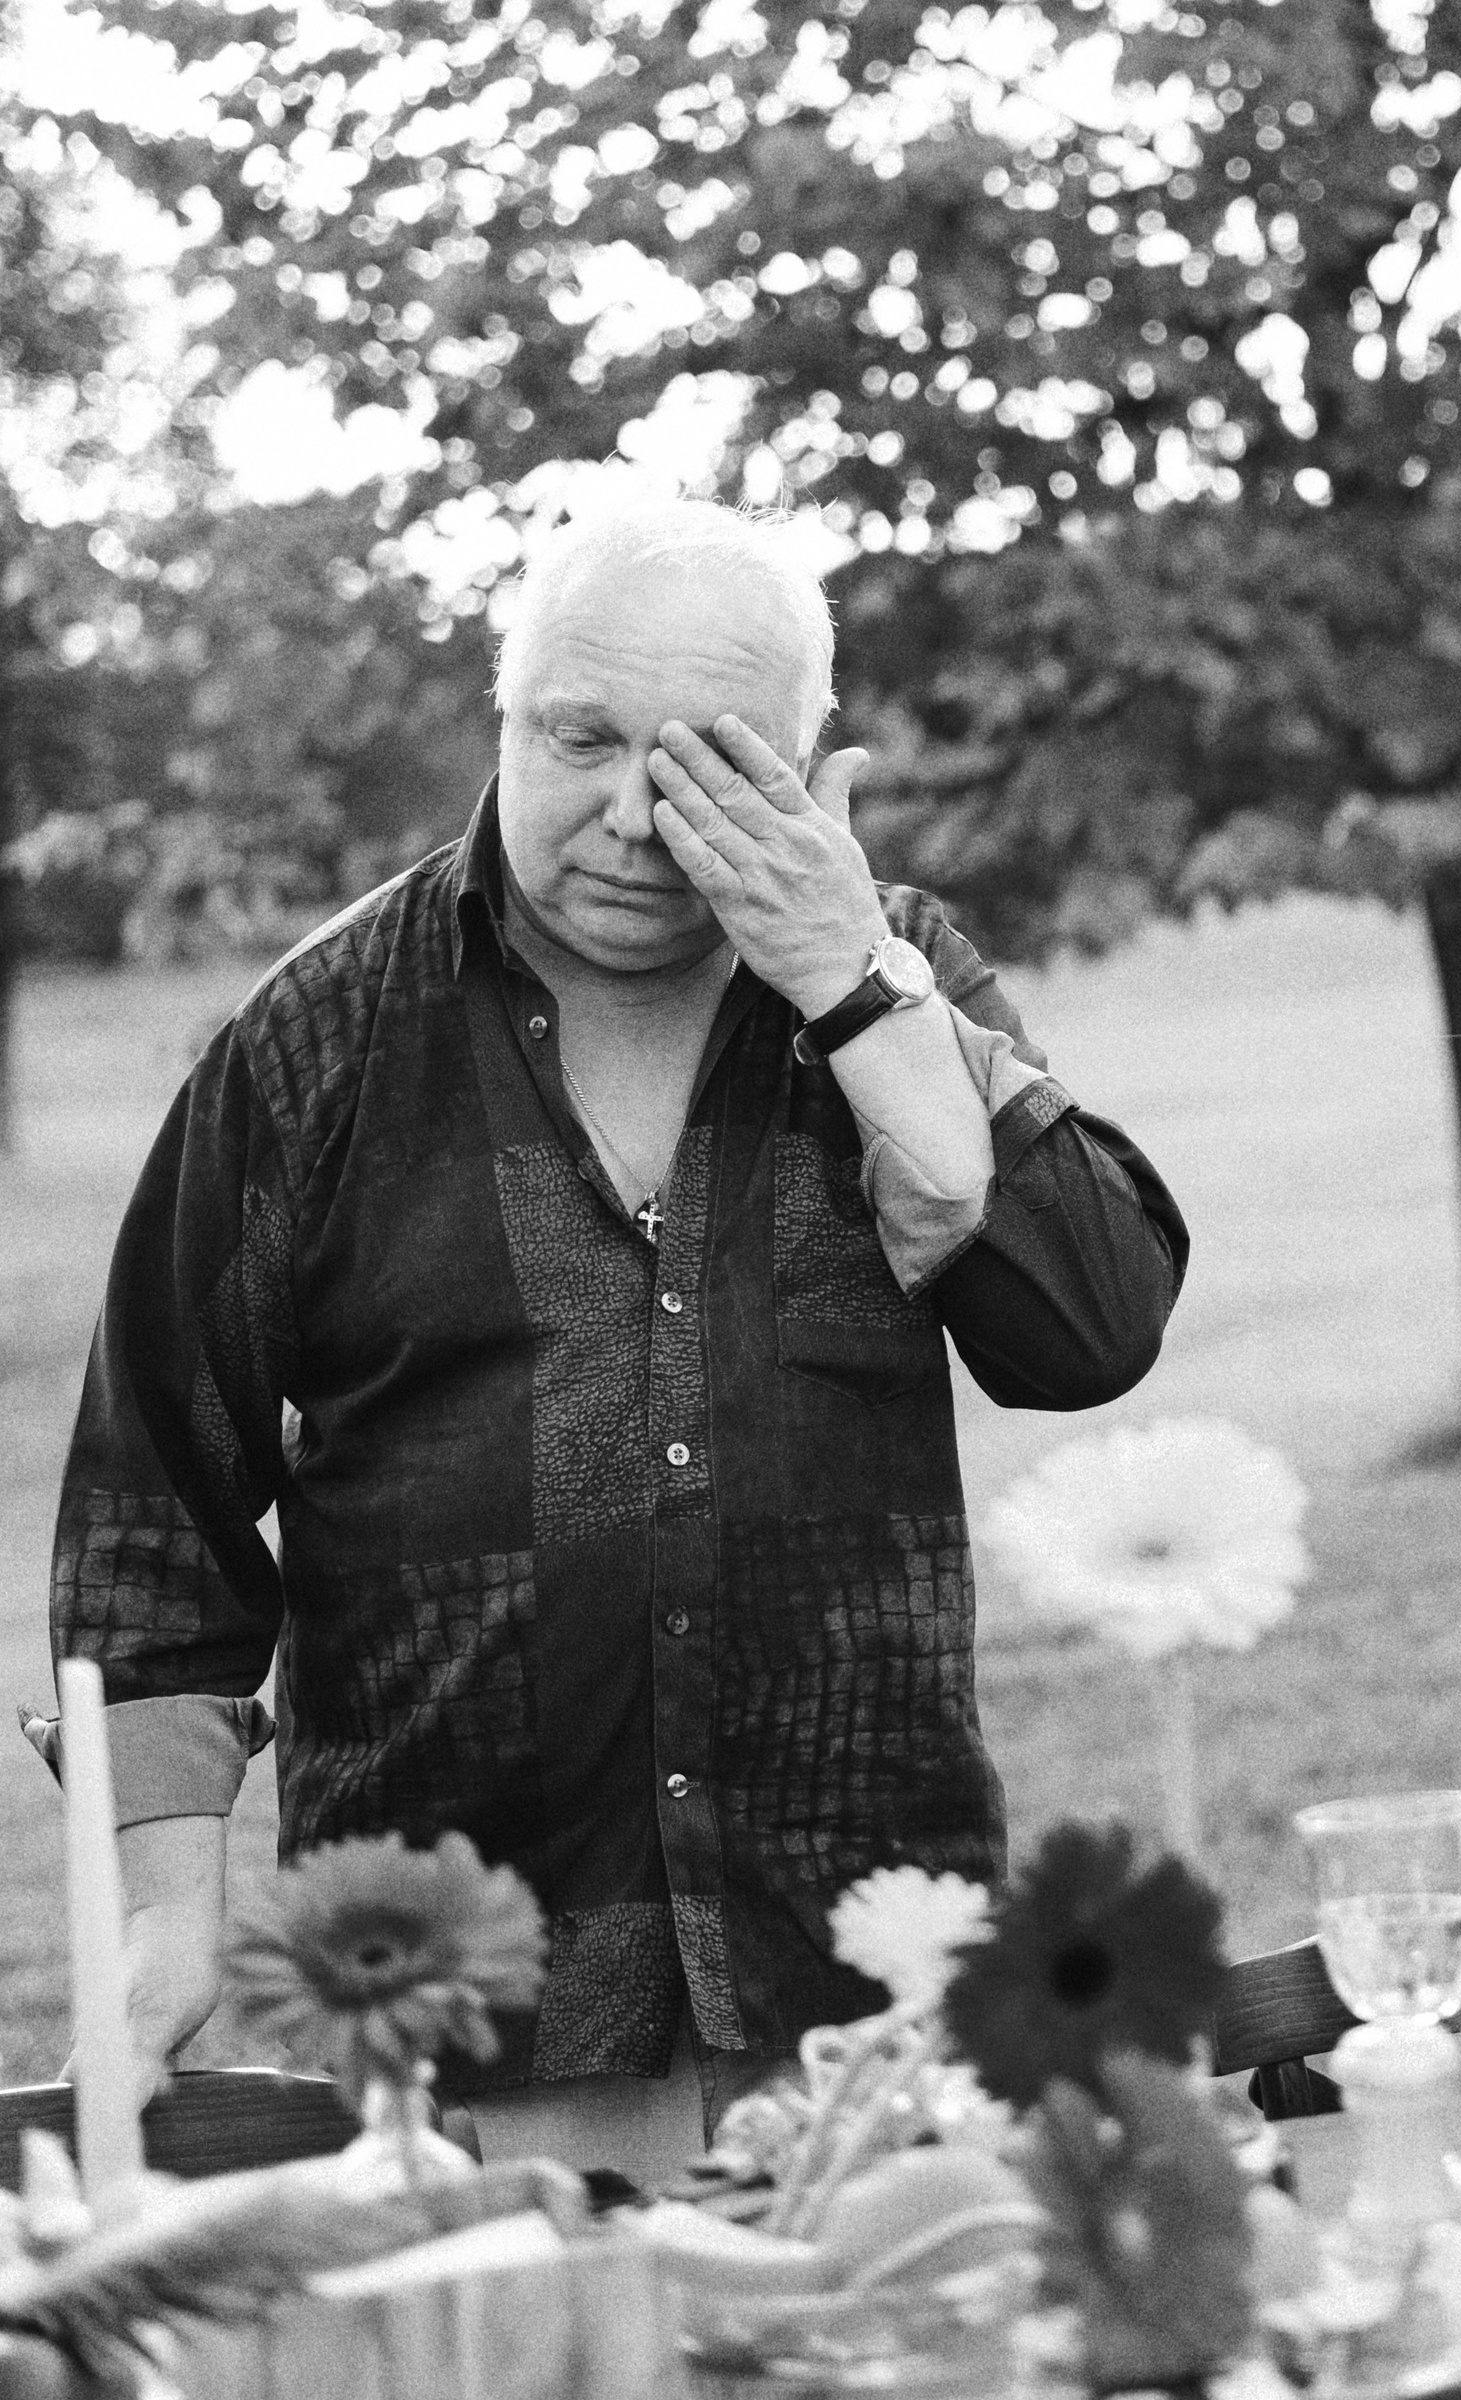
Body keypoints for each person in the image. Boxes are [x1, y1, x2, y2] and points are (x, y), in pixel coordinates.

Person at [30, 488, 1188, 2179]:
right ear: (503, 715)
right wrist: (159, 1922)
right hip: (470, 1992)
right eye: (580, 739)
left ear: (813, 770)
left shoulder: (901, 973)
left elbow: (1093, 1325)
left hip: (859, 1978)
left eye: (711, 762)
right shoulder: (313, 1040)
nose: (635, 819)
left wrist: (853, 986)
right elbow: (153, 1512)